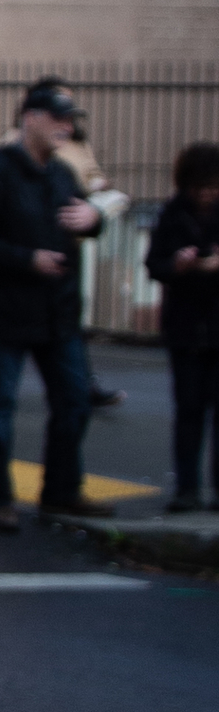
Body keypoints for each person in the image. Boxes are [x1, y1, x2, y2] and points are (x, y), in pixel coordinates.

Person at [0, 79, 100, 532]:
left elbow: (85, 218)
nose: (66, 127)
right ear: (29, 118)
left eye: (70, 120)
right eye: (57, 118)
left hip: (58, 313)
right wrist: (27, 259)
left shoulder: (62, 174)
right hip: (3, 313)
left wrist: (95, 221)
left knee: (74, 402)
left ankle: (61, 493)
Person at [143, 141, 219, 513]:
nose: (206, 195)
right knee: (189, 411)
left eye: (212, 187)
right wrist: (178, 264)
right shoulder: (173, 215)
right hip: (186, 326)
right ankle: (187, 487)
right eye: (200, 187)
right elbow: (154, 264)